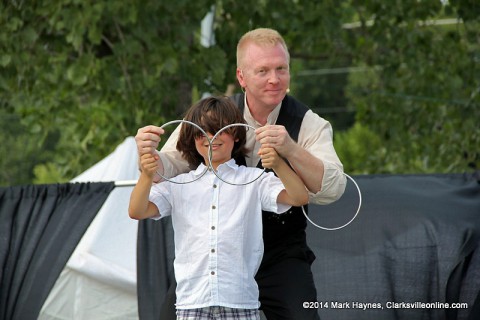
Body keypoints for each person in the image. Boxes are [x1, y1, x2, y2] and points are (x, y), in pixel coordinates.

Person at [135, 28, 346, 319]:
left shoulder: (309, 123)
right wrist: (148, 158)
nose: (275, 79)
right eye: (263, 70)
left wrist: (291, 149)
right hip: (217, 258)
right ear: (241, 77)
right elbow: (170, 164)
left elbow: (333, 190)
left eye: (281, 69)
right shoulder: (213, 115)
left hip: (280, 255)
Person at [129, 96, 309, 320]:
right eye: (201, 132)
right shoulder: (179, 184)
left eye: (218, 130)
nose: (210, 138)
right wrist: (147, 175)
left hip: (240, 302)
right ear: (192, 139)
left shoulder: (253, 179)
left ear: (235, 134)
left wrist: (278, 164)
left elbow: (299, 197)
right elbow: (137, 210)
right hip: (191, 303)